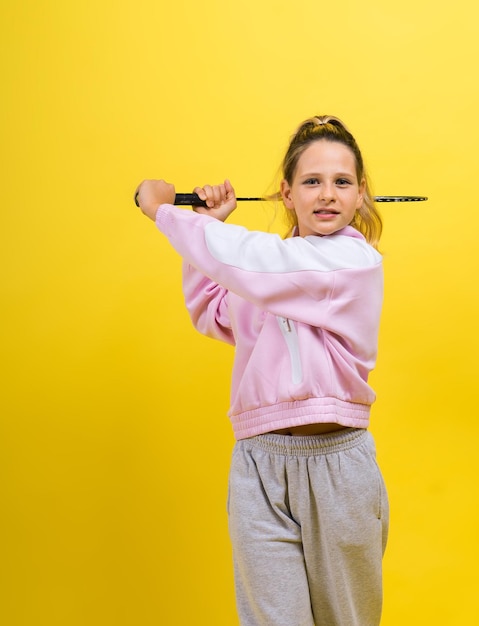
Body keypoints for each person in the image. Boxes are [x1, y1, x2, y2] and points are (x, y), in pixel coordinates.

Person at [134, 116, 389, 626]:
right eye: (311, 181)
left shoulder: (351, 262)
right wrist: (213, 228)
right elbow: (215, 310)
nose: (327, 195)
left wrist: (166, 212)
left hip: (337, 468)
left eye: (342, 182)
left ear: (361, 194)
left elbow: (260, 263)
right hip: (259, 466)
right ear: (286, 194)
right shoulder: (271, 271)